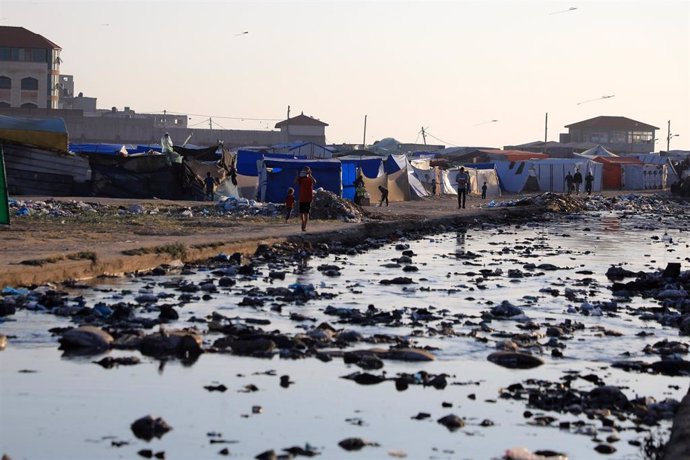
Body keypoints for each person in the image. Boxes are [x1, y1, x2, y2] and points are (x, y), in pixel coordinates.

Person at [295, 166, 316, 231]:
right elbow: (295, 182)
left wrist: (310, 175)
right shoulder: (301, 178)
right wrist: (297, 175)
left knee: (306, 213)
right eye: (305, 170)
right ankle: (303, 222)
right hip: (302, 197)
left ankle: (304, 226)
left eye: (307, 170)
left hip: (308, 198)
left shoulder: (310, 178)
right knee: (301, 213)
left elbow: (315, 182)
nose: (305, 172)